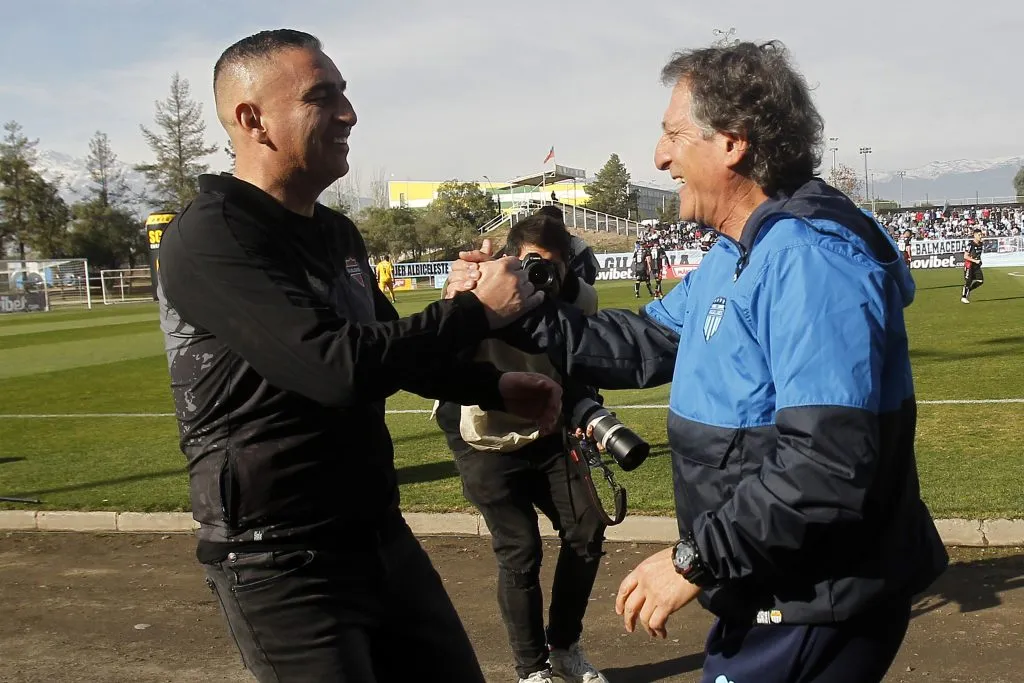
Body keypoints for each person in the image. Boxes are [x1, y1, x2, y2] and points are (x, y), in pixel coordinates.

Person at [450, 40, 948, 683]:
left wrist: (694, 559)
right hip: (771, 587)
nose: (660, 157)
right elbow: (644, 342)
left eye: (673, 135)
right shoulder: (738, 248)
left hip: (814, 601)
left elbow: (827, 463)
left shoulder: (809, 259)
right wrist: (521, 308)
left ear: (733, 142)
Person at [155, 29, 562, 683]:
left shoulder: (334, 231)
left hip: (373, 531)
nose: (348, 112)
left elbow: (390, 349)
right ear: (250, 119)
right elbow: (333, 367)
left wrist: (491, 384)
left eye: (345, 93)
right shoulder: (210, 233)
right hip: (276, 558)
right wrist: (477, 311)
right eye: (323, 96)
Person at [436, 210, 609, 683]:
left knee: (586, 529)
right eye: (531, 264)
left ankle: (565, 648)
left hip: (547, 428)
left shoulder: (568, 292)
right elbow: (440, 353)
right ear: (510, 256)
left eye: (550, 267)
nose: (540, 276)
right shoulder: (482, 287)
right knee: (520, 548)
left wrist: (562, 284)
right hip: (485, 433)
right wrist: (464, 292)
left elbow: (589, 315)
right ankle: (532, 669)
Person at [961, 229, 984, 303]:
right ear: (974, 235)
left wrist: (979, 261)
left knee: (980, 281)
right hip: (969, 266)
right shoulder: (970, 245)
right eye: (979, 235)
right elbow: (965, 256)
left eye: (981, 235)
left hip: (976, 266)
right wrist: (975, 261)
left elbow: (977, 255)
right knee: (968, 281)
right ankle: (963, 297)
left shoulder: (981, 244)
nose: (980, 236)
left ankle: (969, 290)